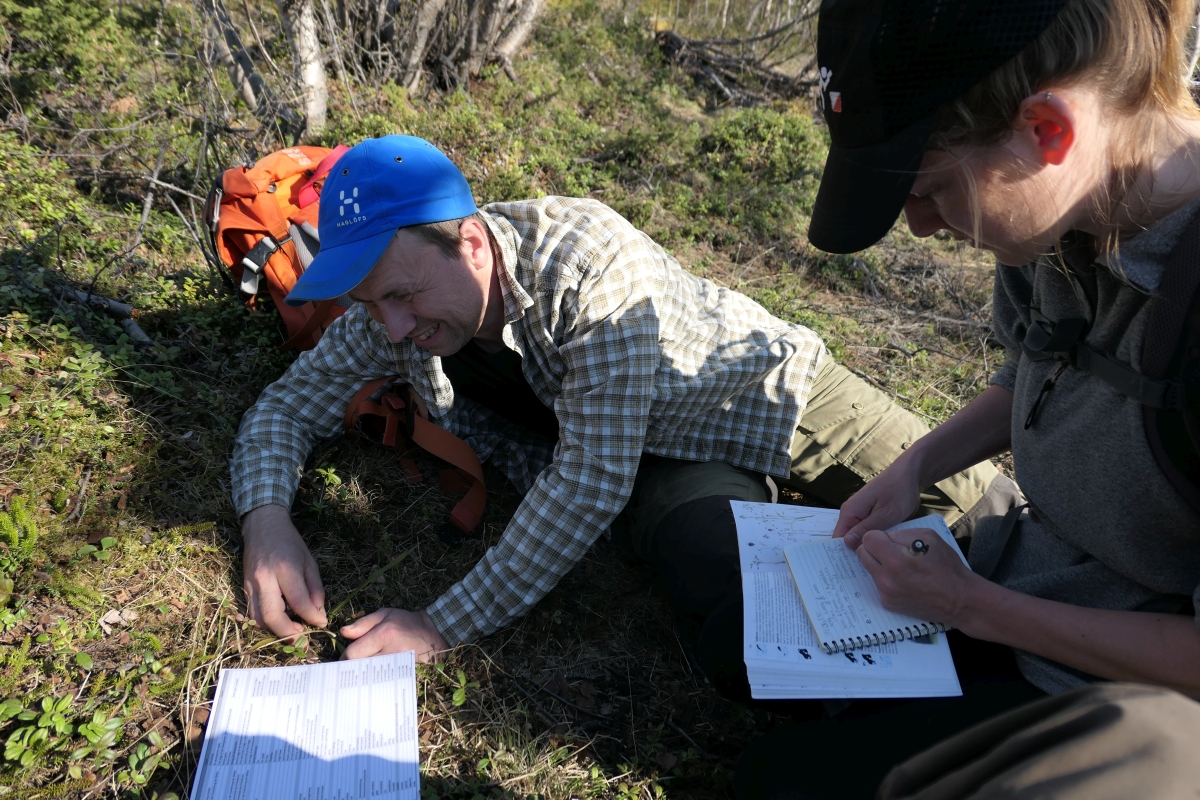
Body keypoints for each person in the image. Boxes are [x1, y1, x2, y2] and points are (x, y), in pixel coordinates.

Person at [228, 135, 1018, 665]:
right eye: (373, 304)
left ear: (470, 241)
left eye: (402, 294)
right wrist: (266, 522)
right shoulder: (396, 312)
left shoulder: (587, 266)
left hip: (773, 397)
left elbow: (587, 484)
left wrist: (437, 626)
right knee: (725, 583)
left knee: (993, 522)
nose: (393, 327)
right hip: (664, 456)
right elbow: (285, 407)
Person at [733, 0, 1200, 796]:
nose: (916, 227)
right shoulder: (1057, 212)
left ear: (1048, 131)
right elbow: (1036, 368)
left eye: (931, 188)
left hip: (1133, 685)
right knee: (735, 652)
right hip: (1026, 577)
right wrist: (918, 463)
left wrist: (967, 605)